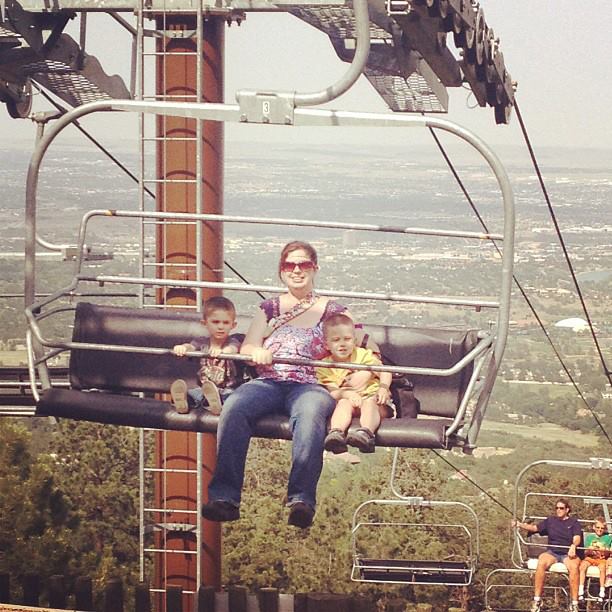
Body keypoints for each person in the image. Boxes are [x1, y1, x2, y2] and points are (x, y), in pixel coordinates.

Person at [200, 241, 348, 529]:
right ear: (281, 271)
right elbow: (249, 345)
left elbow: (356, 345)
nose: (296, 270)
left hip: (310, 383)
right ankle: (225, 497)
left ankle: (301, 499)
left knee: (309, 415)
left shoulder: (333, 310)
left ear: (314, 268)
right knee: (235, 407)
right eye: (289, 265)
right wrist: (256, 352)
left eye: (303, 264)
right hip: (269, 380)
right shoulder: (269, 308)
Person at [316, 313, 392, 454]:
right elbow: (332, 391)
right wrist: (346, 393)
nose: (342, 344)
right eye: (336, 340)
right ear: (327, 344)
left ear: (355, 340)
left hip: (375, 401)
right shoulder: (325, 366)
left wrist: (383, 387)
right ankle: (336, 433)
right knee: (344, 403)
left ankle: (366, 433)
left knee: (369, 402)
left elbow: (385, 371)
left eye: (347, 339)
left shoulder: (363, 355)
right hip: (350, 403)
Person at [170, 296, 244, 415]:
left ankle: (214, 403)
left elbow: (233, 349)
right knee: (195, 393)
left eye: (226, 323)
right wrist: (183, 348)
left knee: (231, 397)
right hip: (205, 388)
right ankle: (183, 402)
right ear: (205, 323)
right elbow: (191, 346)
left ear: (233, 325)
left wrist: (223, 352)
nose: (220, 327)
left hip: (228, 389)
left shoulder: (232, 341)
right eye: (215, 322)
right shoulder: (202, 342)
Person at [513, 499, 582, 612]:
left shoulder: (574, 523)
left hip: (567, 553)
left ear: (567, 510)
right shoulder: (550, 521)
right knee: (541, 562)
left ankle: (574, 603)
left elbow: (577, 537)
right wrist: (519, 524)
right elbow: (535, 528)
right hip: (553, 552)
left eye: (561, 508)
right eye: (557, 508)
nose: (558, 510)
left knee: (574, 567)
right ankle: (537, 600)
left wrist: (573, 546)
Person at [579, 517, 611, 602]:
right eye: (598, 527)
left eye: (602, 528)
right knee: (583, 566)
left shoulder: (608, 538)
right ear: (594, 527)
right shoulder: (590, 537)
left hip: (601, 559)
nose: (600, 530)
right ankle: (581, 589)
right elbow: (585, 551)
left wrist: (604, 551)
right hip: (590, 557)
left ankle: (602, 590)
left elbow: (608, 552)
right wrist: (591, 550)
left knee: (603, 568)